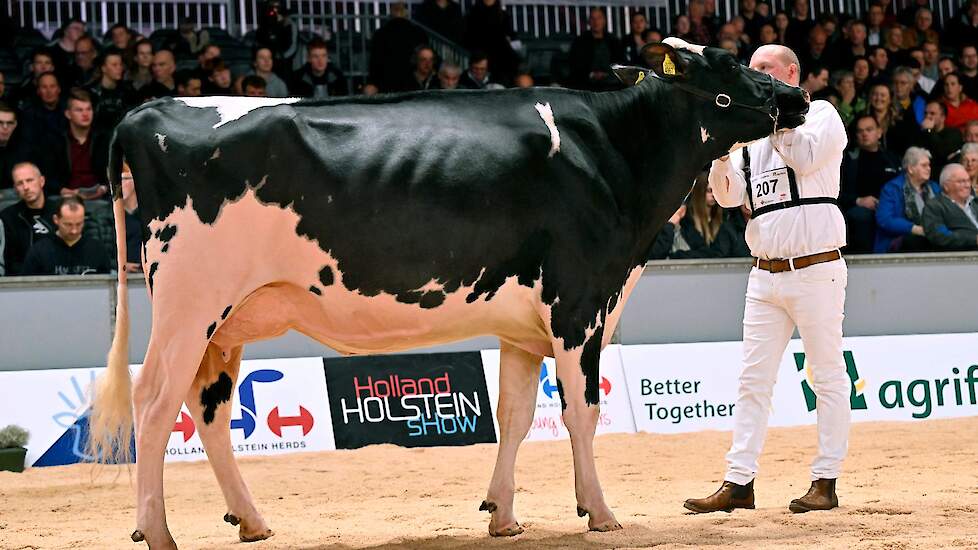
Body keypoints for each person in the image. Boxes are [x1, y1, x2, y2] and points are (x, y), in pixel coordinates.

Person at [686, 44, 850, 515]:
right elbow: (728, 194)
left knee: (827, 377)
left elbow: (805, 157)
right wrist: (722, 152)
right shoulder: (755, 134)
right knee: (752, 381)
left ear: (790, 73)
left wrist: (775, 118)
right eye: (751, 68)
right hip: (764, 274)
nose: (754, 74)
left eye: (764, 69)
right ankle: (739, 482)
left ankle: (825, 480)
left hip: (816, 268)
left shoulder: (821, 114)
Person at [841, 114, 901, 253]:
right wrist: (858, 201)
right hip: (861, 210)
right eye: (860, 131)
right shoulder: (848, 160)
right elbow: (837, 193)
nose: (864, 134)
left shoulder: (893, 159)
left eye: (869, 129)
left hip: (889, 210)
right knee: (860, 216)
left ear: (879, 132)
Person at [20, 195, 110, 275]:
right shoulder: (39, 251)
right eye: (68, 224)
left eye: (79, 224)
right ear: (56, 219)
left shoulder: (97, 249)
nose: (74, 231)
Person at [875, 147, 940, 252]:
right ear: (910, 169)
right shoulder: (892, 188)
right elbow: (884, 219)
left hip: (933, 235)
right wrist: (914, 228)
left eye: (929, 165)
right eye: (924, 165)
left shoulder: (934, 187)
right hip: (901, 238)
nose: (928, 168)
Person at [49, 89, 110, 199]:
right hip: (66, 197)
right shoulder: (56, 141)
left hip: (100, 197)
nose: (85, 114)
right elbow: (48, 175)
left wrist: (104, 188)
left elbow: (115, 171)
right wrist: (62, 191)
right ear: (68, 114)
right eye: (79, 110)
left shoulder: (104, 139)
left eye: (88, 109)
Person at [0, 162, 58, 275]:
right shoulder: (7, 217)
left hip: (57, 280)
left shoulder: (60, 212)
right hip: (21, 283)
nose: (26, 187)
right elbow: (7, 261)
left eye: (30, 180)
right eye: (20, 183)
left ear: (42, 181)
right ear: (15, 188)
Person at [368, 2, 429, 93]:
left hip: (387, 82)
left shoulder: (380, 34)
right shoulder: (418, 32)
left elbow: (375, 62)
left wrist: (373, 82)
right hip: (412, 82)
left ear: (391, 12)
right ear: (406, 12)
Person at [922, 163, 978, 250]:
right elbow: (940, 236)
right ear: (946, 186)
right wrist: (974, 239)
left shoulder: (975, 203)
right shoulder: (934, 206)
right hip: (960, 259)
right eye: (961, 182)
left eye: (968, 181)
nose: (967, 185)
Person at [568, 7, 626, 92]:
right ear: (589, 22)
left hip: (611, 84)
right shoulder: (580, 41)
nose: (596, 22)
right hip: (585, 84)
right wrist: (591, 74)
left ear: (604, 21)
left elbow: (621, 62)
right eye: (593, 19)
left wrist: (607, 74)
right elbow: (574, 64)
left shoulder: (613, 41)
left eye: (599, 18)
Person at [463, 0, 519, 85]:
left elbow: (510, 33)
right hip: (480, 51)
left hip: (500, 53)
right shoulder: (473, 13)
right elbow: (469, 35)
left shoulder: (503, 14)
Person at [87, 50, 136, 133]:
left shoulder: (128, 91)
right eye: (114, 65)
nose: (119, 68)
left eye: (120, 64)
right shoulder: (91, 92)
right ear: (104, 68)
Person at [918, 100, 964, 176]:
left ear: (942, 117)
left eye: (932, 113)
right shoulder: (921, 134)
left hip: (945, 175)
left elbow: (942, 153)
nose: (927, 116)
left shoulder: (953, 133)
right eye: (925, 113)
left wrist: (930, 131)